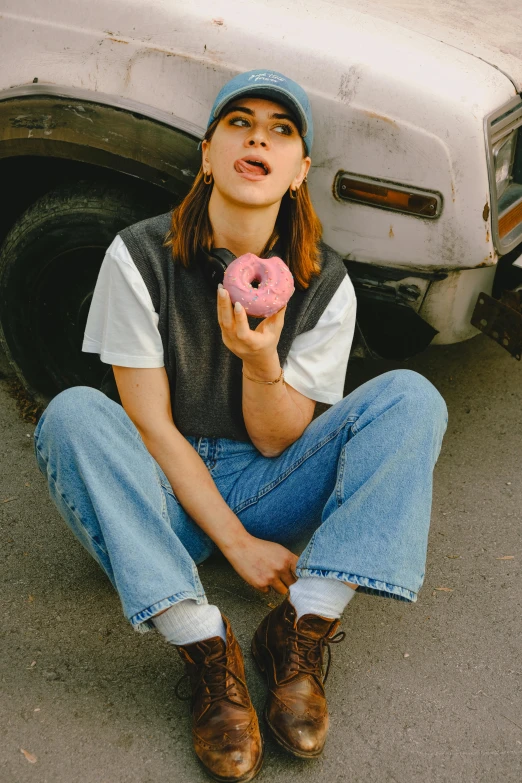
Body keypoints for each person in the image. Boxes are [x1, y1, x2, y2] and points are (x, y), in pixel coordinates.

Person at [33, 69, 448, 782]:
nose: (260, 134)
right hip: (163, 493)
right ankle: (204, 643)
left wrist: (260, 364)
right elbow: (151, 426)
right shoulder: (137, 258)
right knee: (71, 414)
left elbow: (276, 441)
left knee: (414, 398)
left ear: (299, 172)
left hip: (270, 477)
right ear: (207, 153)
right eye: (240, 121)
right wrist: (239, 545)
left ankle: (300, 626)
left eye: (282, 129)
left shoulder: (324, 282)